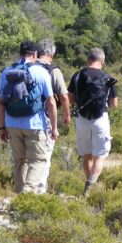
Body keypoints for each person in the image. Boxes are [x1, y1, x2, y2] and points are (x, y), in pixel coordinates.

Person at [0, 40, 58, 194]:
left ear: (20, 53)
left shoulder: (7, 72)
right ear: (35, 54)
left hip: (12, 123)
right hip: (35, 124)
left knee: (19, 161)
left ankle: (19, 195)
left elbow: (0, 102)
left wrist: (2, 127)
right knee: (37, 160)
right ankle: (28, 191)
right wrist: (54, 128)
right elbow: (50, 101)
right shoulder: (41, 72)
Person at [68, 47, 118, 195]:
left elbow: (69, 98)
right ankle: (90, 187)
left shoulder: (77, 76)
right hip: (100, 118)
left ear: (88, 59)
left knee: (87, 156)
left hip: (81, 119)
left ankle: (89, 188)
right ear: (102, 61)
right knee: (100, 155)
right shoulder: (107, 77)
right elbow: (114, 104)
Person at [35, 39, 71, 193]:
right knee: (44, 155)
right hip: (45, 118)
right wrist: (67, 115)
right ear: (52, 53)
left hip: (20, 119)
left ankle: (24, 190)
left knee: (25, 158)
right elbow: (63, 96)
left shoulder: (26, 67)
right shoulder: (53, 71)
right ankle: (40, 190)